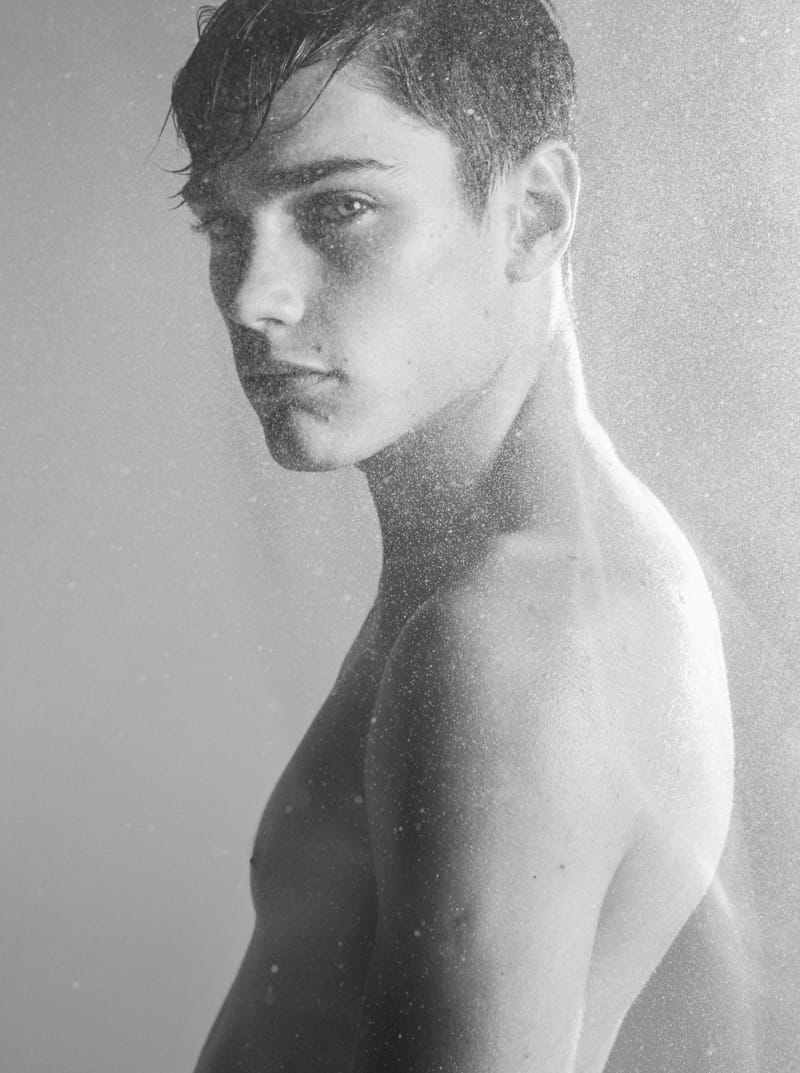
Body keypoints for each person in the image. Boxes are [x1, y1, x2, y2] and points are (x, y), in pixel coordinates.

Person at [170, 1, 734, 1070]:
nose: (251, 296)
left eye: (337, 207)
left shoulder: (513, 640)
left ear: (532, 213)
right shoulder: (506, 578)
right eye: (223, 224)